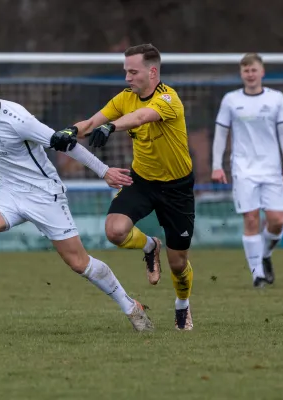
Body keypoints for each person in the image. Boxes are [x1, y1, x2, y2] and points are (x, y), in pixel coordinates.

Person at [0, 63, 153, 332]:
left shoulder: (19, 120)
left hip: (45, 195)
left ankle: (131, 307)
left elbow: (65, 143)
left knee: (79, 263)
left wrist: (104, 171)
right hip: (10, 193)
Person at [67, 44, 195, 331]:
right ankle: (150, 246)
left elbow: (140, 117)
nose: (127, 77)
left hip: (177, 188)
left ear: (152, 72)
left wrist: (111, 128)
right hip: (142, 181)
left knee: (178, 265)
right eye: (125, 71)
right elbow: (90, 122)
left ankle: (182, 305)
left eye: (133, 71)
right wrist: (71, 131)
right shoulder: (125, 98)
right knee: (114, 231)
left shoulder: (168, 99)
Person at [211, 53, 283, 288]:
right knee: (251, 218)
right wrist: (217, 166)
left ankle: (265, 254)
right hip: (243, 168)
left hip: (271, 168)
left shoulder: (277, 99)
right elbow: (221, 133)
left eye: (254, 70)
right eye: (246, 70)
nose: (250, 74)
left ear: (262, 72)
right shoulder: (230, 100)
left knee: (277, 221)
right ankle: (257, 274)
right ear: (241, 74)